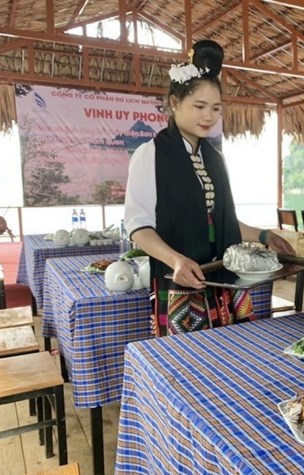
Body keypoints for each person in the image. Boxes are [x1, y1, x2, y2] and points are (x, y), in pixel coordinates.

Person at [124, 39, 294, 336]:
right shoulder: (150, 154)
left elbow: (220, 219)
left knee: (233, 355)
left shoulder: (214, 157)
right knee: (188, 365)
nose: (209, 116)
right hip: (182, 282)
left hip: (224, 278)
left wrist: (265, 236)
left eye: (216, 108)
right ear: (175, 103)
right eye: (199, 106)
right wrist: (176, 260)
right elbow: (138, 227)